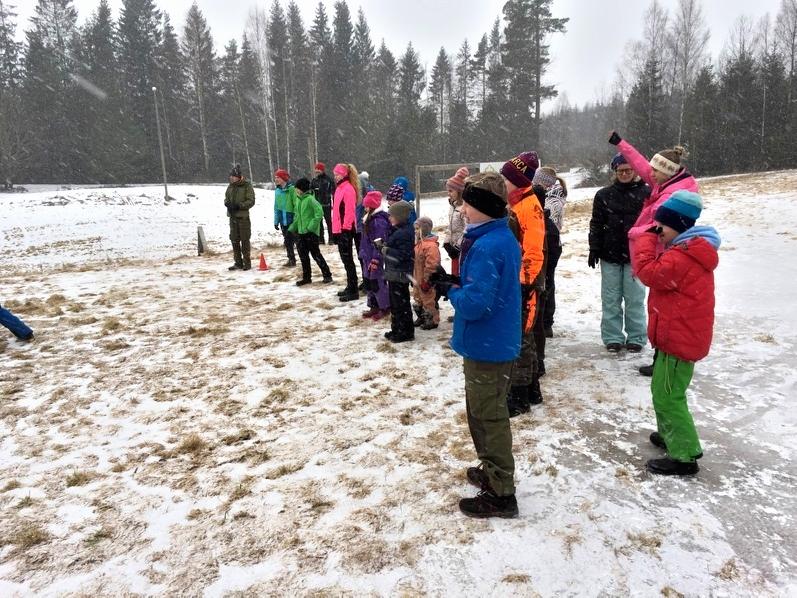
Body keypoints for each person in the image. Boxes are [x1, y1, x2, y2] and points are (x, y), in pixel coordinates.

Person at [434, 171, 521, 518]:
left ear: (483, 207)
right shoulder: (494, 237)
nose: (463, 210)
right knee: (480, 412)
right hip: (490, 342)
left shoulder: (488, 245)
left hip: (489, 344)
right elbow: (483, 288)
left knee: (488, 416)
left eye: (467, 204)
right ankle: (492, 469)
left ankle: (502, 492)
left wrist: (452, 290)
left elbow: (476, 303)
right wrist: (456, 280)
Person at [633, 190, 719, 476]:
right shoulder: (685, 250)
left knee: (669, 395)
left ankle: (684, 455)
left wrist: (644, 239)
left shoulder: (683, 258)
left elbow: (647, 273)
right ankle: (670, 434)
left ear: (680, 226)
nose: (658, 231)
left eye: (662, 226)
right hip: (675, 336)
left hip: (678, 341)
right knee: (662, 390)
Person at [609, 131, 699, 376]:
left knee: (664, 308)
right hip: (666, 251)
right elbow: (640, 163)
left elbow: (657, 225)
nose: (650, 175)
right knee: (659, 306)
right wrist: (621, 144)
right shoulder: (666, 180)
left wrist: (634, 232)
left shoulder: (672, 194)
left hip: (668, 253)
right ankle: (662, 357)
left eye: (655, 172)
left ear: (667, 171)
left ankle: (665, 359)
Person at [588, 154, 650, 353]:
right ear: (614, 172)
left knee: (634, 299)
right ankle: (613, 337)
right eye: (620, 170)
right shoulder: (603, 195)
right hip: (610, 254)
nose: (624, 174)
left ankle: (636, 337)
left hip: (636, 255)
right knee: (611, 299)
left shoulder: (647, 193)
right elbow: (596, 224)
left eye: (628, 170)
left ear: (635, 171)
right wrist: (594, 248)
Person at [500, 151, 546, 416]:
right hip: (518, 278)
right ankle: (532, 389)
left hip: (525, 281)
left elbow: (534, 250)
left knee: (519, 338)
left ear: (518, 181)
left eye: (506, 179)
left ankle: (519, 397)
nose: (503, 183)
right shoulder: (516, 203)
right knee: (523, 337)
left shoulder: (529, 207)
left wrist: (525, 283)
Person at [531, 166, 567, 337]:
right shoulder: (548, 196)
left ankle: (545, 322)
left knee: (546, 282)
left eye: (536, 181)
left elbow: (547, 224)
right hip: (549, 241)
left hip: (549, 242)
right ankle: (544, 320)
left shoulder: (552, 201)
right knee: (546, 281)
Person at [379, 200, 415, 343]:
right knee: (396, 304)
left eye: (392, 216)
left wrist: (385, 250)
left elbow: (401, 255)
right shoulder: (399, 231)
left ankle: (404, 332)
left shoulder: (404, 233)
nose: (389, 218)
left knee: (400, 305)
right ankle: (397, 329)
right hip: (395, 274)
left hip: (399, 274)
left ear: (400, 217)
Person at [289, 177, 333, 286]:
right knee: (303, 256)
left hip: (311, 234)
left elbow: (319, 213)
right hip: (301, 233)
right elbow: (297, 217)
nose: (296, 190)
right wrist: (291, 229)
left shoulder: (310, 199)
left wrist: (311, 227)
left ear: (302, 189)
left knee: (316, 254)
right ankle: (306, 277)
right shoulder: (298, 200)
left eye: (297, 188)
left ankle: (327, 275)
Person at [359, 190, 391, 320]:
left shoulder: (378, 222)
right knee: (368, 281)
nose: (365, 208)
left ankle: (385, 306)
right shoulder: (368, 219)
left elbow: (379, 243)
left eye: (367, 206)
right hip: (367, 256)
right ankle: (373, 305)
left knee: (377, 282)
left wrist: (376, 258)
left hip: (374, 257)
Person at [332, 163, 361, 302]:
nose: (335, 176)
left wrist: (345, 229)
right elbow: (337, 212)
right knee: (345, 260)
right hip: (340, 229)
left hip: (346, 230)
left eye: (337, 174)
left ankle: (353, 289)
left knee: (348, 260)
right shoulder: (339, 189)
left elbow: (349, 211)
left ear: (344, 174)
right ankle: (350, 286)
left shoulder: (348, 189)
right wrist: (335, 230)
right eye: (334, 174)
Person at [224, 164, 256, 271]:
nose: (231, 177)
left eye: (233, 176)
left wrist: (239, 205)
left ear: (238, 176)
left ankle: (247, 263)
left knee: (245, 240)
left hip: (243, 218)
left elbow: (251, 201)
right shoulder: (230, 187)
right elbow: (226, 199)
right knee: (234, 240)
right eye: (230, 176)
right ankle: (238, 262)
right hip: (232, 218)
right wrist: (227, 204)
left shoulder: (247, 186)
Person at [412, 216, 441, 330]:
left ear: (423, 229)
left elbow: (432, 265)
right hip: (417, 278)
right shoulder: (419, 244)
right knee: (418, 297)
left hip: (425, 279)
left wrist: (428, 279)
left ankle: (432, 319)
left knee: (428, 299)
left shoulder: (431, 246)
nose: (415, 231)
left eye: (417, 229)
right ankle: (422, 316)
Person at [444, 166, 468, 277]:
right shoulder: (452, 206)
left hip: (462, 249)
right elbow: (450, 226)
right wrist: (447, 242)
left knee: (461, 274)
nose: (448, 193)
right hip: (453, 248)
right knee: (455, 274)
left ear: (459, 191)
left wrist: (458, 246)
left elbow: (467, 228)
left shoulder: (464, 208)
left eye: (451, 191)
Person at [273, 168, 296, 267]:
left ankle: (300, 259)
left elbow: (296, 204)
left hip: (291, 219)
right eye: (275, 177)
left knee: (292, 240)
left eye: (278, 177)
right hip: (282, 220)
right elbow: (276, 206)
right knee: (287, 242)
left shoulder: (291, 189)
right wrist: (276, 221)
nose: (276, 179)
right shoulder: (277, 190)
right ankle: (291, 259)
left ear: (283, 178)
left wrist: (296, 219)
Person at [311, 162, 335, 244]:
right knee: (319, 222)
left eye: (319, 169)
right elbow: (311, 192)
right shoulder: (314, 180)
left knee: (329, 222)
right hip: (317, 204)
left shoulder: (328, 179)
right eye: (316, 169)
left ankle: (331, 239)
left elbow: (334, 191)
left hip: (326, 204)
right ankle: (321, 239)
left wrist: (334, 202)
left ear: (322, 170)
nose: (317, 171)